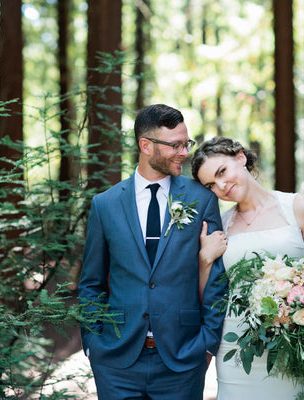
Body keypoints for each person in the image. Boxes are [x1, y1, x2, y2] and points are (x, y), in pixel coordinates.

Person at [78, 104, 229, 400]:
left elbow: (216, 279)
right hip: (117, 361)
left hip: (182, 359)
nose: (184, 152)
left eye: (186, 143)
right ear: (146, 146)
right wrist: (93, 344)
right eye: (175, 145)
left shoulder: (202, 199)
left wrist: (207, 344)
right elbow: (91, 282)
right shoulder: (105, 204)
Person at [192, 136, 304, 400]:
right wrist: (205, 259)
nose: (221, 186)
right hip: (237, 349)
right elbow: (205, 297)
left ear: (241, 158)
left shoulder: (299, 208)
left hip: (294, 344)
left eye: (222, 172)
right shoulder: (220, 225)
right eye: (211, 184)